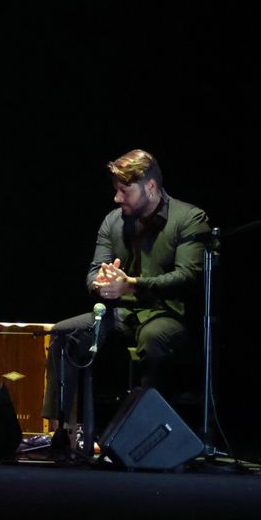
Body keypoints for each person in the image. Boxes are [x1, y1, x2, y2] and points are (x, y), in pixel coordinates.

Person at [39, 150, 208, 453]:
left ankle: (141, 434)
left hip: (165, 312)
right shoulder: (113, 221)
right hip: (119, 313)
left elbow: (188, 277)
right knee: (65, 333)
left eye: (124, 190)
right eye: (116, 189)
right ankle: (63, 431)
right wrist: (101, 284)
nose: (117, 198)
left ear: (151, 187)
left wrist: (131, 285)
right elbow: (94, 271)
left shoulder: (189, 218)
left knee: (155, 339)